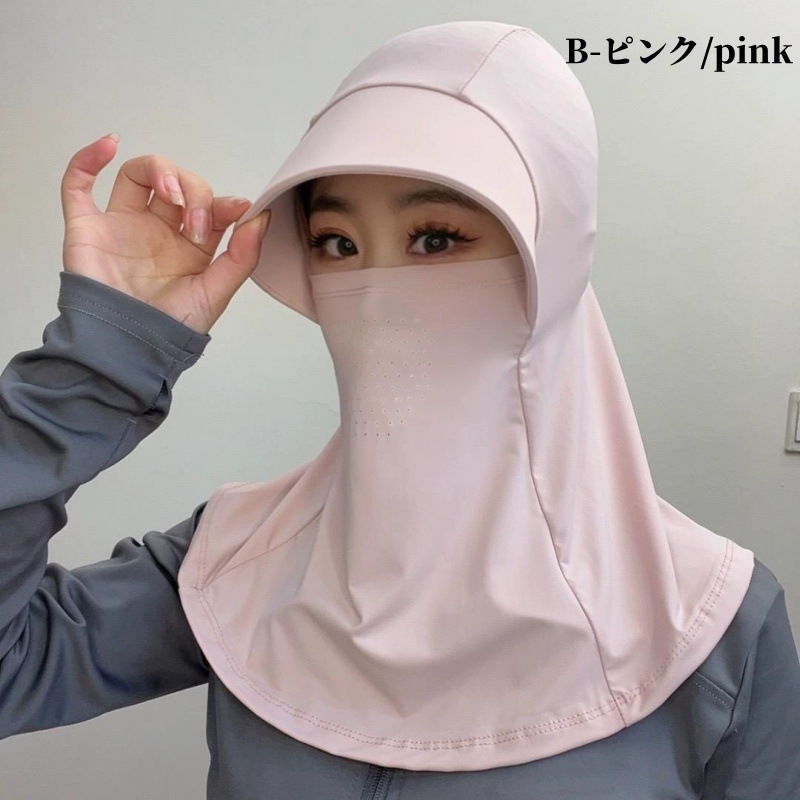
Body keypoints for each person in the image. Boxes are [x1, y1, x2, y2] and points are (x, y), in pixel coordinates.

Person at [1, 19, 799, 800]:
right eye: (338, 244)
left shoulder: (711, 625)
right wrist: (104, 356)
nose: (377, 298)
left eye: (436, 239)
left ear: (549, 259)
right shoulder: (239, 556)